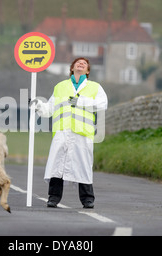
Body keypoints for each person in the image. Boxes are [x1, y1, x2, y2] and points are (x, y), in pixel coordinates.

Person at [31, 57, 108, 208]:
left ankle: (87, 199)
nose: (80, 64)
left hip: (82, 134)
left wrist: (81, 102)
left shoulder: (95, 87)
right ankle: (53, 197)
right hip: (62, 132)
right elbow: (49, 109)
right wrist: (38, 105)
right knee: (57, 164)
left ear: (87, 71)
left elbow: (102, 104)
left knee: (83, 165)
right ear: (72, 68)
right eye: (77, 62)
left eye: (84, 63)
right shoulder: (60, 86)